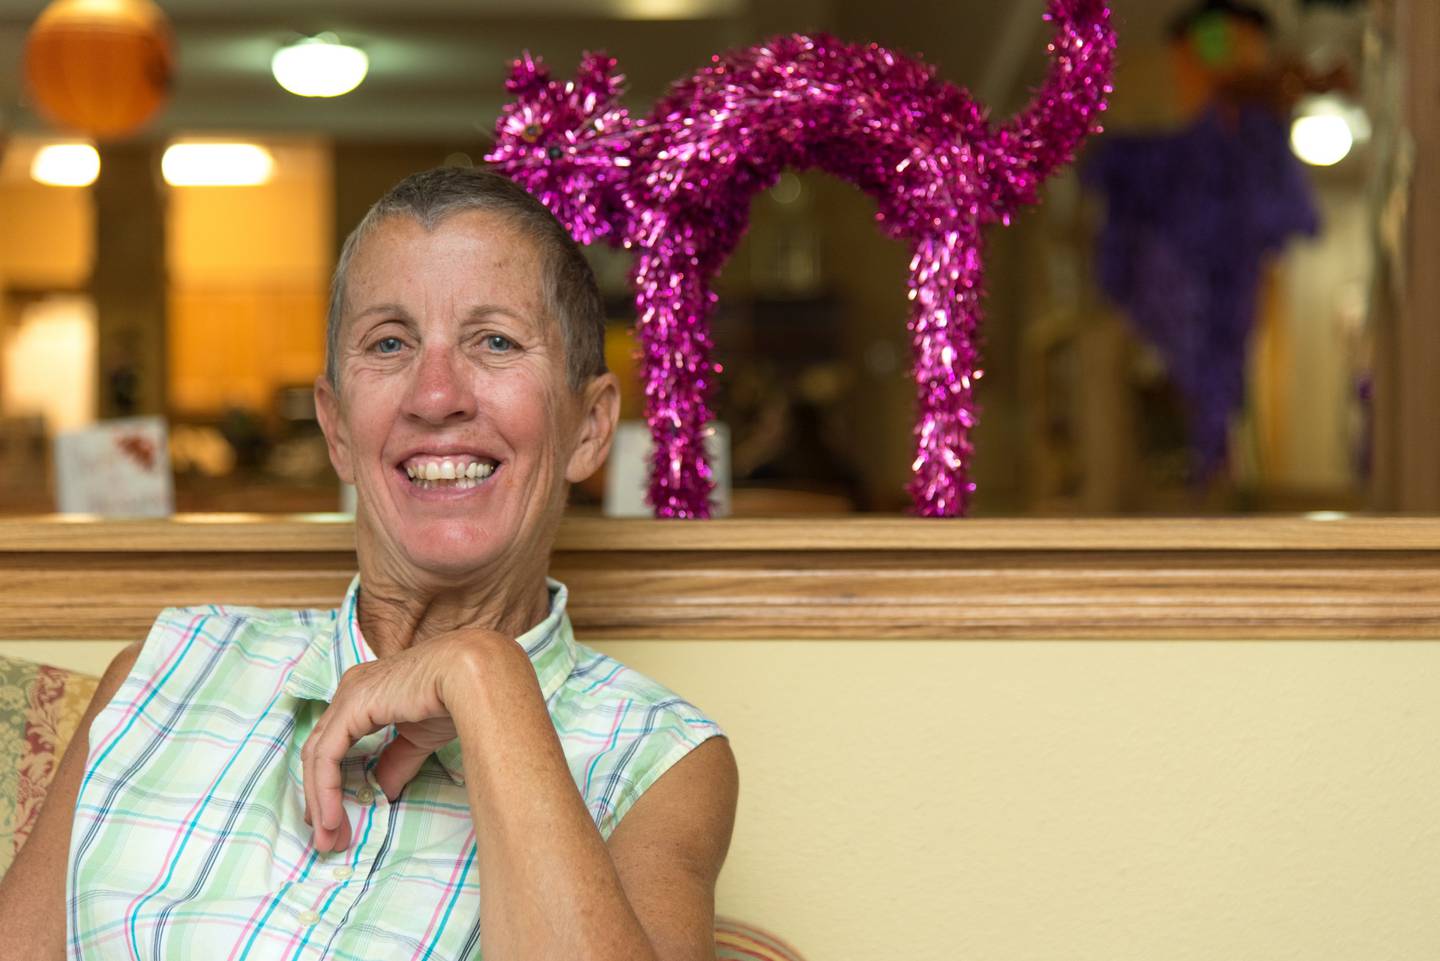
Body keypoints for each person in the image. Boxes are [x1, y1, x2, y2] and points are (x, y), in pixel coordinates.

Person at [0, 167, 738, 960]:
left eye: (495, 341)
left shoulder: (658, 758)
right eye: (390, 342)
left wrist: (482, 676)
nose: (435, 394)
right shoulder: (166, 672)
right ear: (338, 427)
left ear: (589, 427)